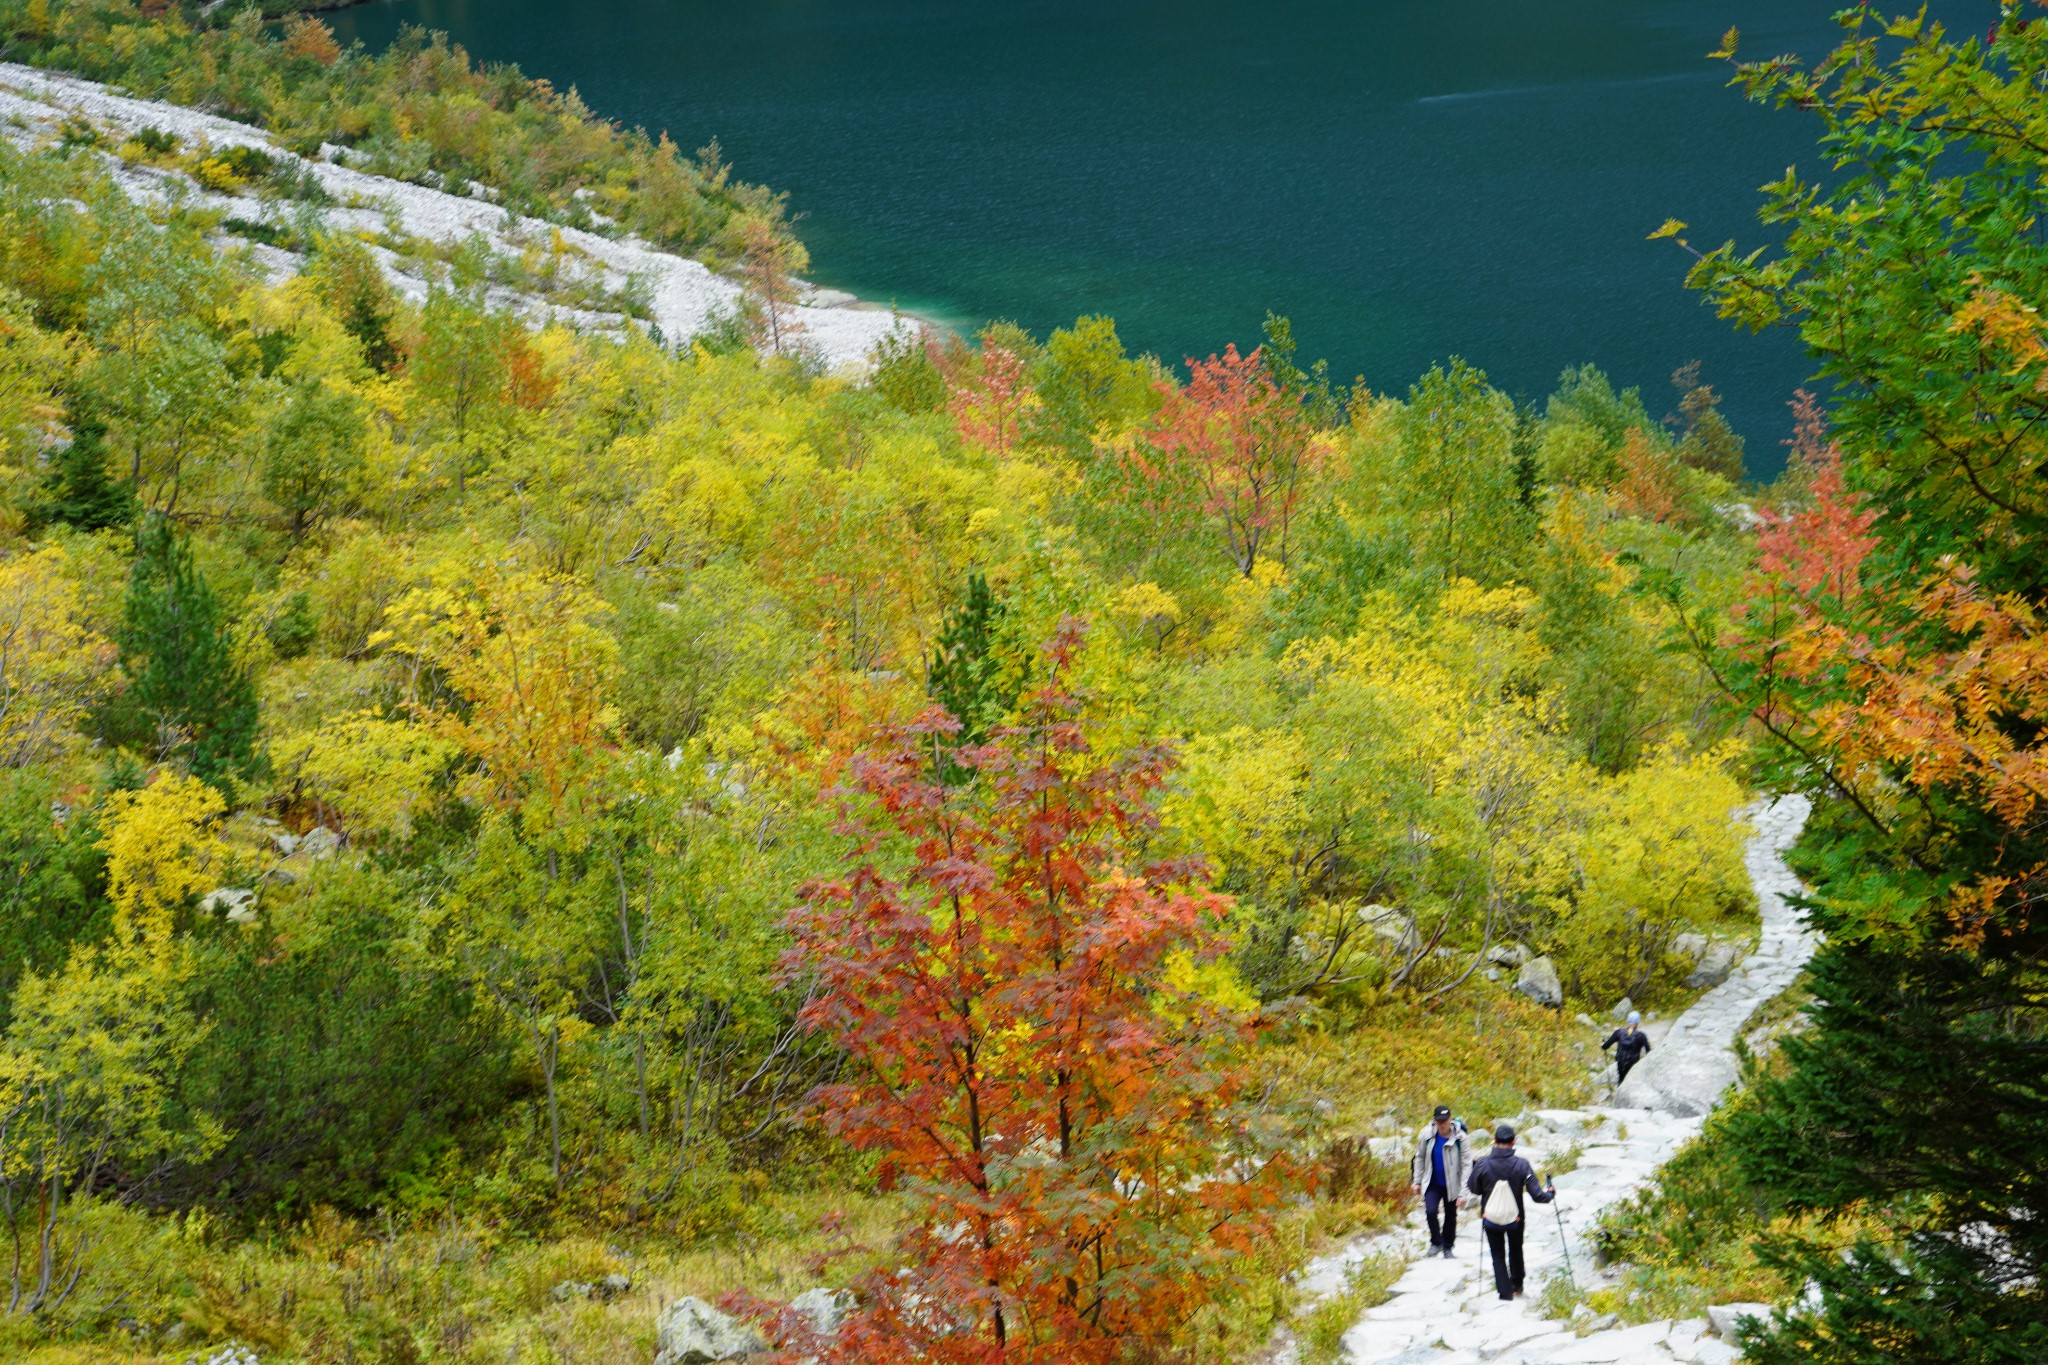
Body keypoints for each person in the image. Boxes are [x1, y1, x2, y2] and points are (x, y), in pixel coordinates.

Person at [1466, 1124, 1555, 1301]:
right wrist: (1550, 1193)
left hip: (1490, 1217)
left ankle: (1505, 1292)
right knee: (1515, 1249)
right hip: (1515, 1218)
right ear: (1514, 1142)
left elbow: (1473, 1188)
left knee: (1497, 1254)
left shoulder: (1483, 1163)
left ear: (1495, 1141)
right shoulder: (1522, 1165)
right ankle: (1516, 1285)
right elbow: (1537, 1195)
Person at [1409, 1104, 1470, 1257]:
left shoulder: (1460, 1138)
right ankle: (1436, 1242)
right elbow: (1420, 1157)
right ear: (1434, 1121)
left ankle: (1448, 1247)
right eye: (1439, 1122)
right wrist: (1417, 1181)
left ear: (1450, 1119)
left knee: (1451, 1215)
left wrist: (1463, 1193)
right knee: (1430, 1212)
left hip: (1452, 1183)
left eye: (1445, 1121)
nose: (1442, 1125)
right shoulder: (1427, 1135)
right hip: (1433, 1182)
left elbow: (1467, 1164)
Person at [1602, 1010, 1652, 1084]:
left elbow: (1605, 1046)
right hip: (1633, 1064)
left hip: (1620, 1062)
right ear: (1637, 1023)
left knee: (1621, 1079)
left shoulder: (1618, 1032)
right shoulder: (1641, 1035)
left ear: (1627, 1021)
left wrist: (1603, 1044)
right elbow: (1648, 1051)